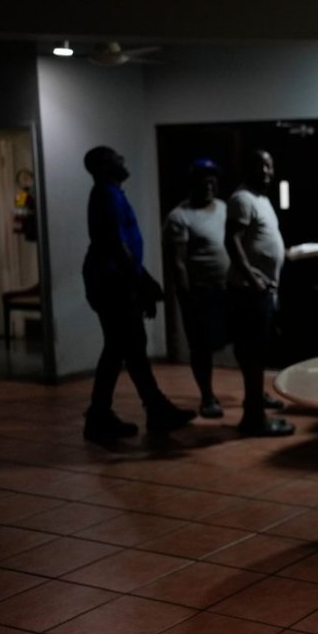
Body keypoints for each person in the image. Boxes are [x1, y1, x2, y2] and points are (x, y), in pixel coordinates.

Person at [81, 145, 196, 445]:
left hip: (116, 281)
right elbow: (118, 246)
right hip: (112, 283)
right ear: (105, 166)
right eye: (116, 157)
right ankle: (101, 416)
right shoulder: (106, 195)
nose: (122, 158)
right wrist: (143, 284)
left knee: (128, 348)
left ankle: (150, 408)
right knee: (121, 347)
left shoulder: (113, 194)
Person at [224, 149, 294, 436]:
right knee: (252, 353)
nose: (265, 170)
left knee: (258, 352)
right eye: (259, 165)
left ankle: (255, 407)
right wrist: (251, 276)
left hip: (263, 289)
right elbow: (232, 240)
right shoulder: (242, 199)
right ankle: (253, 419)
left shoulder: (261, 199)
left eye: (269, 165)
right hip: (249, 291)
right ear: (248, 168)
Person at [162, 158, 230, 419]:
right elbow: (177, 263)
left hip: (228, 288)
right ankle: (207, 396)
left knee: (242, 340)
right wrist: (186, 296)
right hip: (201, 292)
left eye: (213, 179)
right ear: (193, 182)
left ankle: (255, 394)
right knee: (201, 347)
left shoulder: (223, 208)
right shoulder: (179, 217)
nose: (210, 184)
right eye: (204, 179)